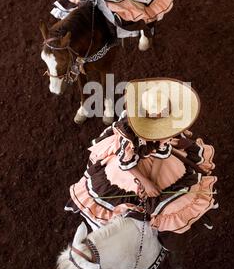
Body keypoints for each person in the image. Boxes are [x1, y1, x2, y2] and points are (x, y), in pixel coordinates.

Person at [65, 78, 217, 247]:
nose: (164, 117)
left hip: (156, 161)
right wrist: (144, 181)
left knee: (172, 191)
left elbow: (161, 150)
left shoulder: (164, 126)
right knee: (123, 202)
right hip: (130, 167)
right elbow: (125, 162)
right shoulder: (130, 131)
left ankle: (176, 228)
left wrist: (151, 180)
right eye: (160, 115)